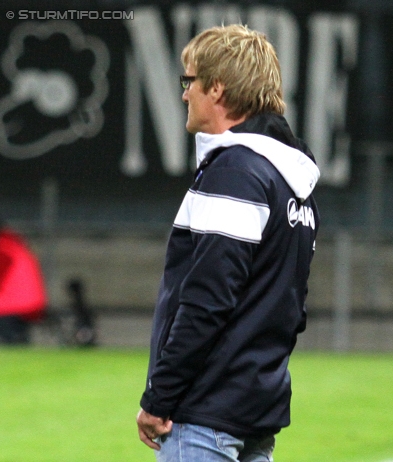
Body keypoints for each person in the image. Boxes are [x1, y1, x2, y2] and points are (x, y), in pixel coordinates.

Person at [136, 24, 320, 462]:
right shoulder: (292, 180)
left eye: (190, 81)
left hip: (205, 413)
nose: (184, 94)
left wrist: (159, 397)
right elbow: (290, 309)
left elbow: (207, 300)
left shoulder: (235, 170)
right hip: (255, 409)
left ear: (217, 89)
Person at [0, 216, 47, 344]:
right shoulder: (14, 245)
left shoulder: (5, 250)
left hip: (12, 305)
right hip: (23, 303)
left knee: (10, 342)